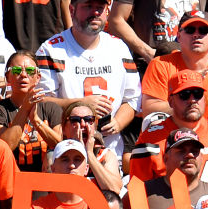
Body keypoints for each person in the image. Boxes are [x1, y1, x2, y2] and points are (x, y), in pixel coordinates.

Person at [130, 72, 208, 209]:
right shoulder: (150, 138)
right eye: (184, 94)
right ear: (170, 101)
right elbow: (138, 196)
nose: (192, 100)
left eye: (197, 93)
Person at [34, 0, 140, 155]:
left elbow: (133, 99)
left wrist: (118, 123)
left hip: (110, 151)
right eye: (88, 6)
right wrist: (80, 103)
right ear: (72, 10)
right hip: (67, 153)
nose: (95, 12)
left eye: (100, 7)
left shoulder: (119, 48)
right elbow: (40, 101)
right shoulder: (51, 49)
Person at [0, 51, 62, 173]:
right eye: (16, 70)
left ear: (38, 77)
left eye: (30, 71)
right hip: (10, 178)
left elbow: (60, 147)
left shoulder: (51, 108)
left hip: (44, 181)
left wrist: (36, 120)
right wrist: (25, 109)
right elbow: (4, 146)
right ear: (7, 77)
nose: (23, 75)